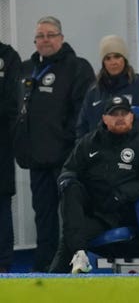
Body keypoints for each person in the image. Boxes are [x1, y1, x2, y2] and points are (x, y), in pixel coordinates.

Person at [13, 16, 94, 272]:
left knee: (70, 215)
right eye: (40, 36)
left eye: (50, 35)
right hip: (36, 158)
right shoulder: (26, 69)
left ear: (61, 37)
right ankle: (44, 267)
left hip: (66, 159)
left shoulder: (77, 67)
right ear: (35, 41)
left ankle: (68, 265)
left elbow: (82, 112)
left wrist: (67, 143)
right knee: (43, 216)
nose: (45, 40)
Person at [49, 96, 139, 273]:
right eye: (114, 114)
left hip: (115, 213)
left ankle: (55, 282)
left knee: (71, 236)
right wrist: (66, 180)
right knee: (70, 187)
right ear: (104, 118)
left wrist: (122, 193)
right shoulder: (89, 142)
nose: (119, 118)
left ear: (131, 116)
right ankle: (78, 256)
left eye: (124, 113)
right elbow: (69, 169)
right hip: (87, 206)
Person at [76, 35, 139, 139]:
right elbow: (82, 127)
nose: (113, 62)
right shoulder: (94, 91)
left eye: (117, 56)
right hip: (99, 152)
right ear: (103, 62)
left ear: (124, 59)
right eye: (108, 58)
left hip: (131, 151)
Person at [0, 41, 20, 272]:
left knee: (2, 202)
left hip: (2, 145)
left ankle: (3, 265)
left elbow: (12, 103)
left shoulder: (8, 56)